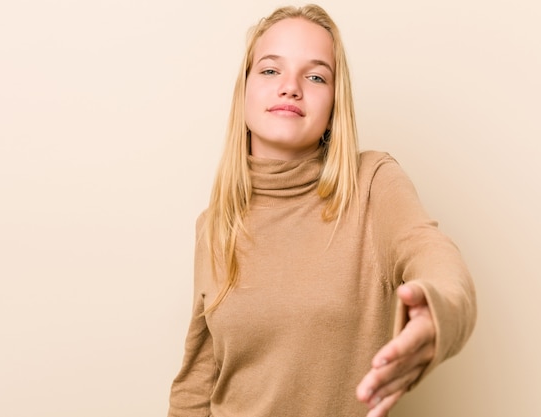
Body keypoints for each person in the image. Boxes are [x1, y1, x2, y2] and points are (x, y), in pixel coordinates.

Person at [167, 4, 476, 417]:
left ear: (334, 105)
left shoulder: (372, 183)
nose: (290, 87)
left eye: (315, 76)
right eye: (270, 70)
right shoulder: (215, 223)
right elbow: (197, 384)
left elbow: (434, 255)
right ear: (244, 90)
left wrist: (439, 315)